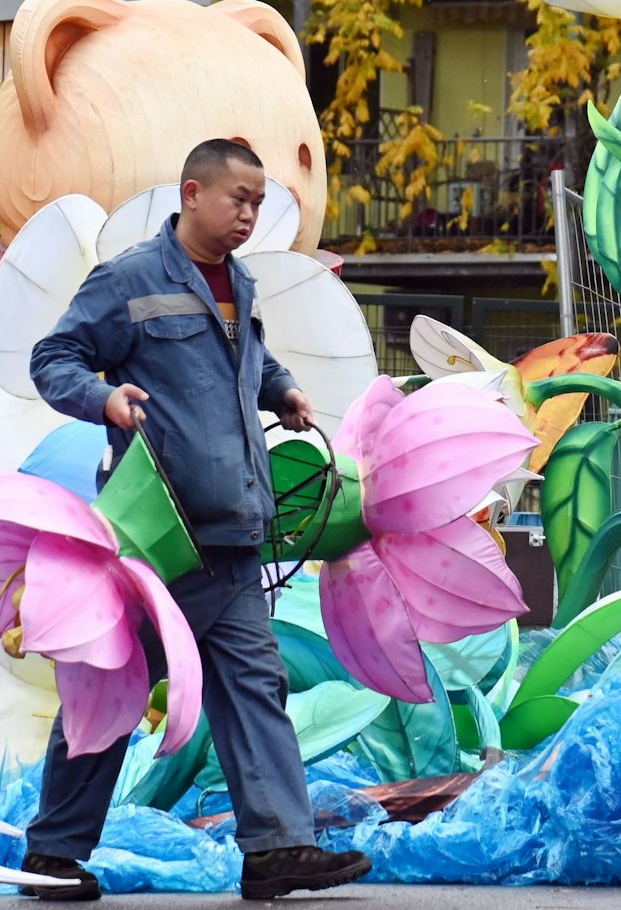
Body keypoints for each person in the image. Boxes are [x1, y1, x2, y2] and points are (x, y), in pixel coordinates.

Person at [23, 139, 371, 900]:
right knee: (111, 690)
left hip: (235, 536)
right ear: (191, 193)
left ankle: (278, 849)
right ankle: (53, 853)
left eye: (257, 203)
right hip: (159, 544)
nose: (249, 214)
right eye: (238, 198)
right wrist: (103, 398)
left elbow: (245, 363)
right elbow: (53, 358)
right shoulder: (129, 279)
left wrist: (281, 389)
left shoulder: (239, 282)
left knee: (256, 688)